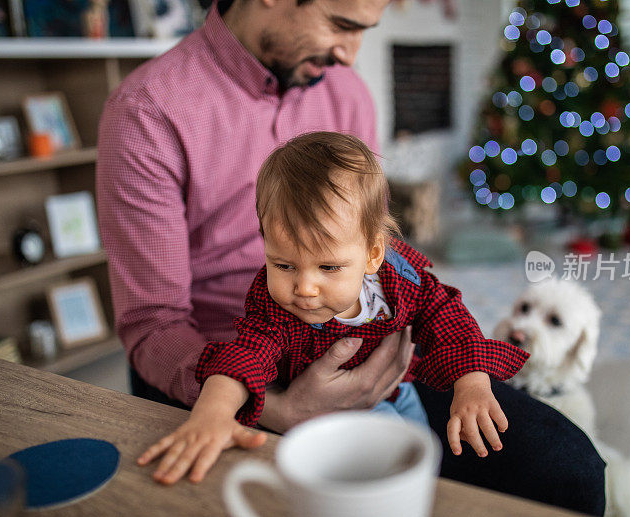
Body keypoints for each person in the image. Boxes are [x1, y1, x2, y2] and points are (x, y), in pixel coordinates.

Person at [97, 0, 605, 515]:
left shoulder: (346, 92)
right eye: (341, 25)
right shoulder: (147, 110)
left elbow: (379, 250)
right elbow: (155, 324)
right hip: (237, 369)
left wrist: (455, 372)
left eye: (365, 31)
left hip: (384, 365)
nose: (350, 53)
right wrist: (272, 409)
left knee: (569, 470)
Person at [136, 132, 532, 484]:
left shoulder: (403, 280)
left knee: (427, 453)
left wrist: (474, 384)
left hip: (399, 388)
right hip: (322, 410)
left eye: (328, 267)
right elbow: (244, 357)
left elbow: (448, 317)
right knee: (394, 467)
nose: (304, 288)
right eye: (284, 265)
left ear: (373, 254)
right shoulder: (275, 309)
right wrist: (213, 413)